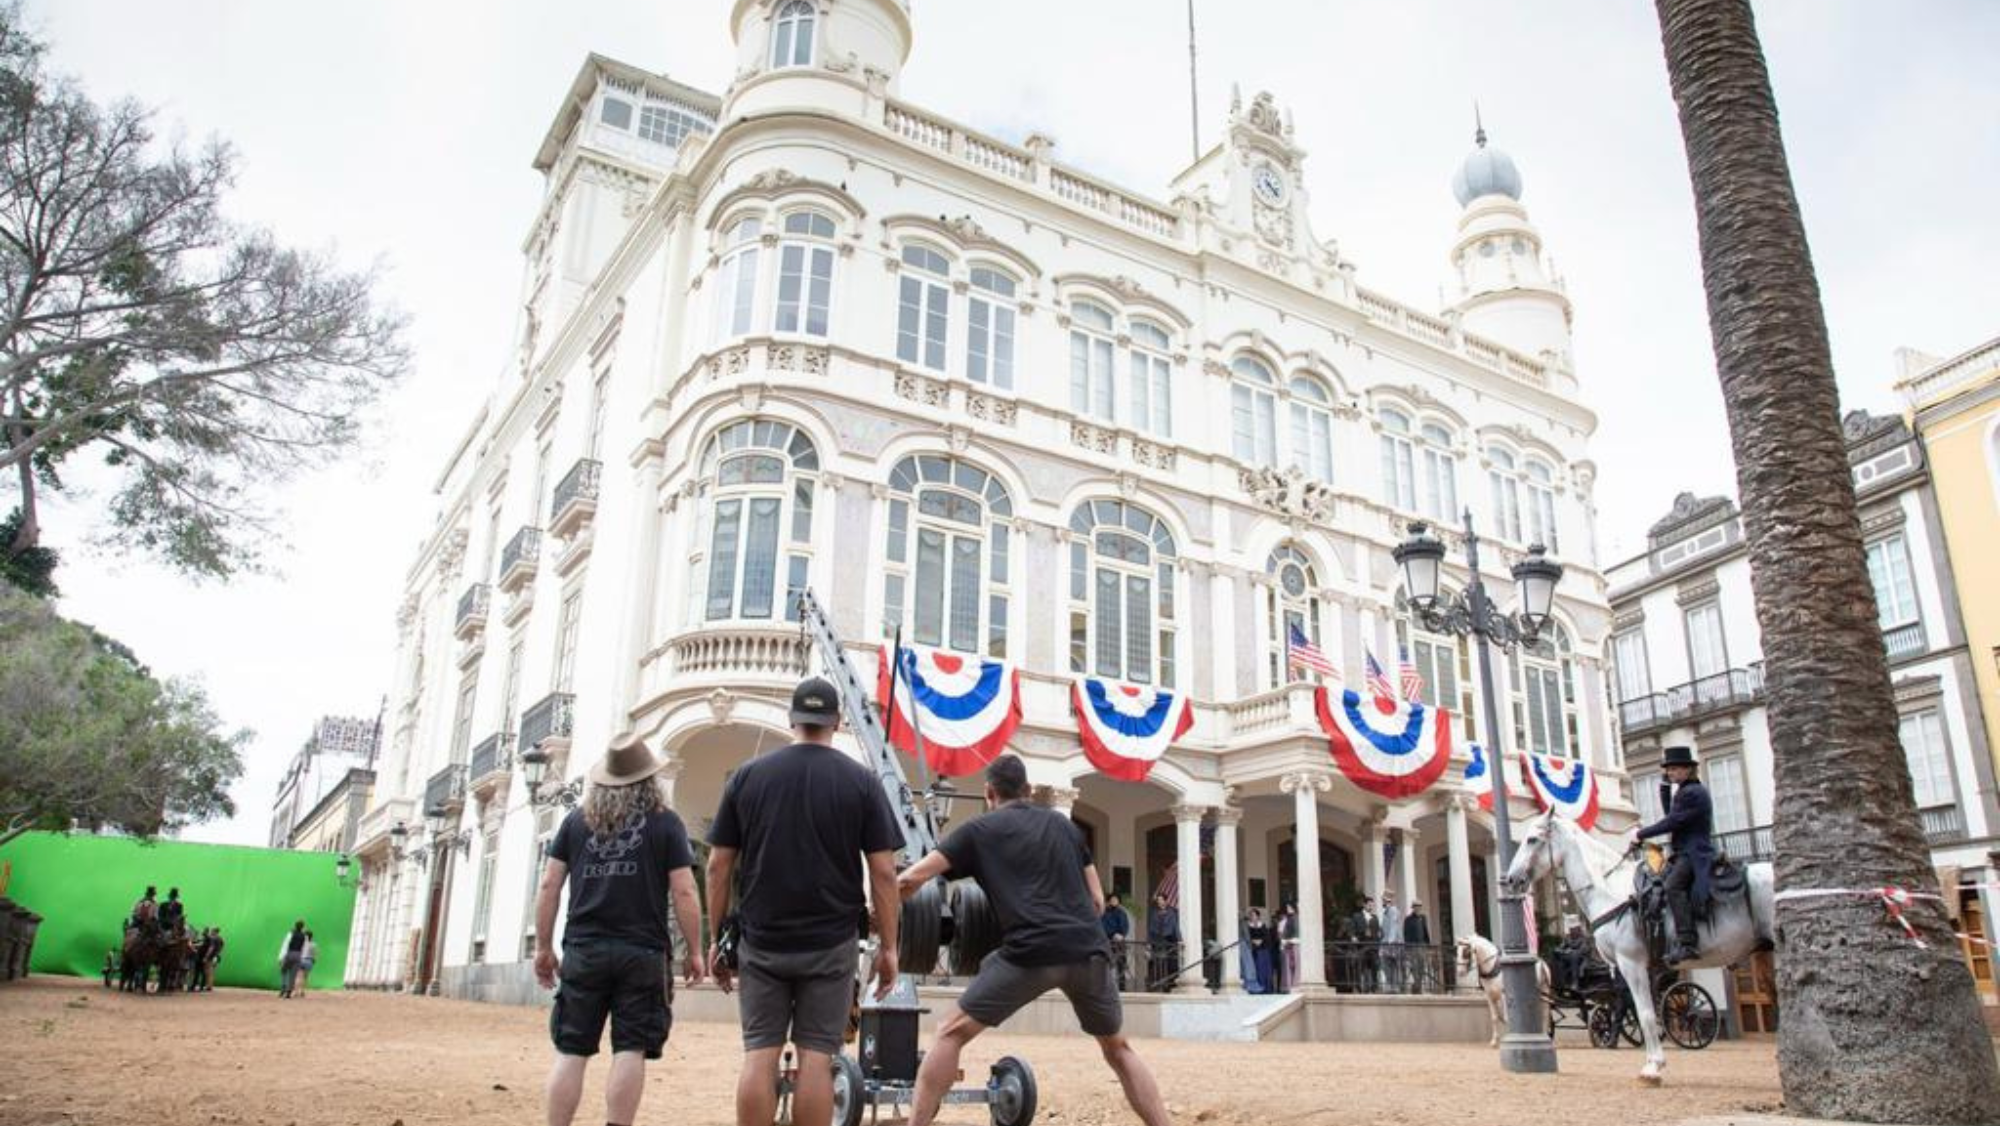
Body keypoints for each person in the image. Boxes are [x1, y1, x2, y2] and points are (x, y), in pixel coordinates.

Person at [896, 755, 1170, 1126]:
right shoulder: (1064, 826)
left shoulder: (978, 830)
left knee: (950, 1033)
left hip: (1030, 954)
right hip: (1088, 951)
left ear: (989, 792)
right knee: (1118, 1048)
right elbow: (1096, 901)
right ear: (1027, 791)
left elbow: (910, 881)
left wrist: (876, 909)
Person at [706, 677, 901, 1126]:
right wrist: (889, 947)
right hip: (830, 945)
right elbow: (885, 872)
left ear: (793, 719)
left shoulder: (748, 777)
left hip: (762, 941)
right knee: (818, 1059)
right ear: (837, 721)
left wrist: (717, 936)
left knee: (759, 1055)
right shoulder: (862, 782)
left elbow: (718, 865)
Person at [534, 734, 705, 1126]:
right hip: (642, 954)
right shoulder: (666, 823)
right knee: (630, 1048)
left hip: (584, 950)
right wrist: (694, 950)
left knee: (572, 1049)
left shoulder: (575, 822)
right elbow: (683, 889)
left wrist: (544, 947)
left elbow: (549, 885)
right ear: (649, 780)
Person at [1632, 744, 1714, 965]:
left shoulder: (1692, 793)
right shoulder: (1686, 791)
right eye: (1668, 770)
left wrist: (1641, 833)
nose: (1670, 772)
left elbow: (1672, 821)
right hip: (1684, 851)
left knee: (1672, 886)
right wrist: (1664, 788)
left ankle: (1688, 942)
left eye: (1675, 769)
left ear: (1688, 769)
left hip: (1693, 851)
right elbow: (1673, 815)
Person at [1146, 893, 1180, 992]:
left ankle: (1168, 986)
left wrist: (1179, 939)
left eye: (1161, 900)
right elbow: (1150, 929)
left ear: (1166, 900)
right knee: (1157, 963)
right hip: (1157, 941)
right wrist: (1148, 942)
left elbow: (1175, 927)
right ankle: (1156, 985)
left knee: (1170, 964)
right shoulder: (1154, 912)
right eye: (1158, 900)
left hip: (1169, 941)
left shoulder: (1172, 912)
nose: (1159, 901)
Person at [1099, 893, 1132, 990]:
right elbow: (1102, 926)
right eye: (1112, 899)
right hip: (1108, 941)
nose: (1114, 901)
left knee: (1121, 964)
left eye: (1116, 900)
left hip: (1119, 941)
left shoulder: (1122, 913)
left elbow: (1125, 926)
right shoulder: (1104, 913)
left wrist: (1121, 935)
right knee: (1106, 964)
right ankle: (1105, 987)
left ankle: (1122, 987)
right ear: (1109, 901)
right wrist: (1112, 934)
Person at [1402, 902, 1432, 992]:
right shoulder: (1408, 919)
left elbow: (1425, 931)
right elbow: (1406, 934)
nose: (1418, 908)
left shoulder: (1423, 918)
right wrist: (1407, 947)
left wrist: (1428, 944)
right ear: (1413, 908)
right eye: (1417, 907)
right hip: (1413, 946)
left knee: (1422, 966)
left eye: (1420, 907)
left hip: (1422, 945)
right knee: (1414, 966)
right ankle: (1417, 986)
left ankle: (1417, 985)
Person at [1242, 908, 1272, 994]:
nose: (1252, 917)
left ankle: (1265, 987)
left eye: (1254, 915)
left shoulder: (1262, 925)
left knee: (1262, 968)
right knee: (1253, 968)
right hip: (1252, 949)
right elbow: (1246, 936)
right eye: (1251, 915)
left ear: (1258, 916)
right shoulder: (1248, 925)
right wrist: (1253, 941)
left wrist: (1261, 941)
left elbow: (1267, 937)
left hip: (1263, 949)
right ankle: (1254, 987)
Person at [1379, 891, 1403, 992]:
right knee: (1387, 964)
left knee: (1390, 964)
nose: (1382, 902)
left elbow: (1393, 926)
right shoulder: (1387, 911)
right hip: (1387, 941)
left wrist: (1390, 942)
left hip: (1392, 943)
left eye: (1383, 900)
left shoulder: (1393, 910)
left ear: (1387, 900)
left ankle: (1393, 985)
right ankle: (1391, 984)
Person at [278, 920, 308, 998]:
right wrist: (302, 957)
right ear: (302, 927)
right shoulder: (305, 936)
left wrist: (281, 956)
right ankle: (289, 991)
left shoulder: (290, 934)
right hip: (298, 955)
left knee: (283, 970)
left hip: (290, 953)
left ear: (295, 926)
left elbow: (286, 944)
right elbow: (305, 948)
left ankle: (283, 986)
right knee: (293, 974)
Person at [1275, 903, 1299, 993]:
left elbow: (1296, 932)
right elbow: (1282, 934)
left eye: (1289, 907)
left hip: (1294, 944)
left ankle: (1295, 984)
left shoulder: (1295, 918)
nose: (1288, 909)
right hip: (1287, 945)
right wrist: (1284, 941)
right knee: (1287, 966)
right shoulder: (1287, 920)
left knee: (1295, 965)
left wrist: (1289, 940)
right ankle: (1288, 986)